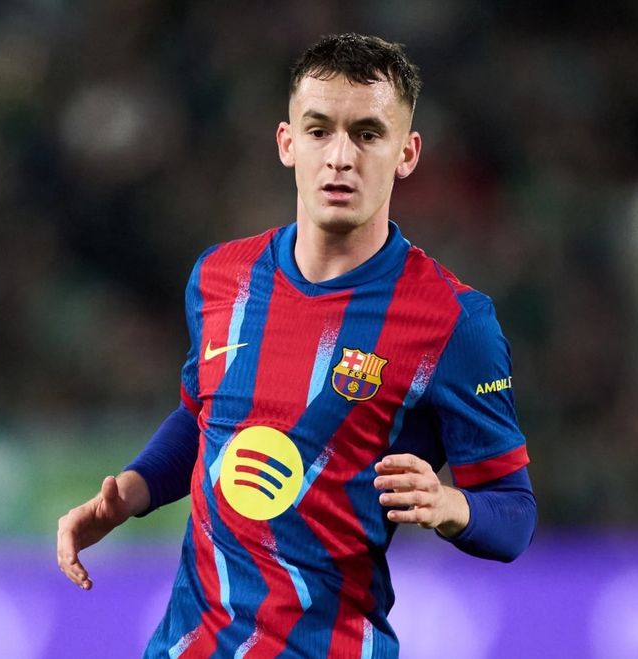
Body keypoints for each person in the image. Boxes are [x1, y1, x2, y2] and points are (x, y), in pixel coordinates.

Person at [57, 32, 537, 658]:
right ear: (287, 143)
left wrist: (448, 505)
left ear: (407, 153)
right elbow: (202, 419)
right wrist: (131, 492)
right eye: (319, 130)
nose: (340, 157)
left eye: (367, 134)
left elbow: (513, 516)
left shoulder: (453, 322)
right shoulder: (220, 278)